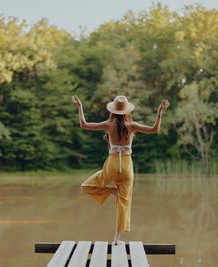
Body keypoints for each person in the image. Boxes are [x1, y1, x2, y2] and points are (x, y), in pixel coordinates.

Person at [71, 95, 170, 245]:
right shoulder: (132, 125)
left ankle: (112, 191)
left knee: (86, 186)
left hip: (112, 164)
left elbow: (84, 124)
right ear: (126, 111)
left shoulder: (108, 124)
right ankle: (117, 239)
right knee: (124, 204)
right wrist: (159, 111)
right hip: (127, 167)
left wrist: (80, 107)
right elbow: (155, 129)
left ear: (113, 111)